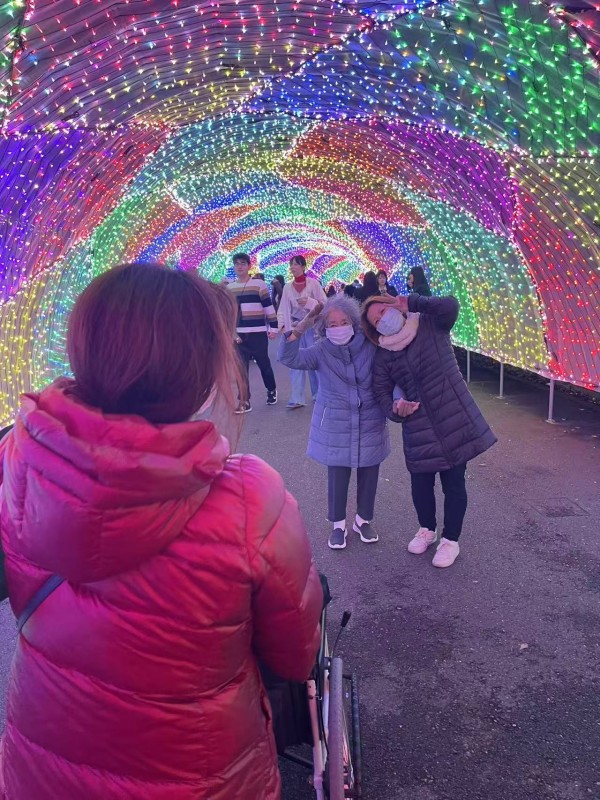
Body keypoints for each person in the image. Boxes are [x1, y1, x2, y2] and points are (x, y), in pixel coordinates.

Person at [0, 263, 323, 800]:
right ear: (198, 370)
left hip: (42, 759)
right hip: (196, 772)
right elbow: (294, 657)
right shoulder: (248, 498)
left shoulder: (19, 462)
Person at [363, 293, 496, 568]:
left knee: (454, 482)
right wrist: (396, 408)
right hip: (418, 426)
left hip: (453, 417)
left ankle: (451, 540)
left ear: (394, 305)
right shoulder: (385, 354)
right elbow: (380, 391)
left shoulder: (430, 324)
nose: (382, 320)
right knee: (420, 484)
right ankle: (426, 529)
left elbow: (451, 306)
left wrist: (413, 302)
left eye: (383, 311)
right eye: (376, 321)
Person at [279, 295, 390, 549]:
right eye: (332, 324)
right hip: (335, 420)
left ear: (354, 322)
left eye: (344, 322)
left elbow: (388, 372)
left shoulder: (370, 345)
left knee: (369, 469)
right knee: (338, 472)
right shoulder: (321, 350)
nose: (339, 328)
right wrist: (302, 325)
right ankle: (337, 525)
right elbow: (289, 358)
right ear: (324, 328)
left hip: (370, 417)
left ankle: (363, 520)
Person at [227, 252, 278, 412]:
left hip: (258, 333)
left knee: (264, 364)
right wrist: (231, 333)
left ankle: (271, 389)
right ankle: (244, 400)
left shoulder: (258, 285)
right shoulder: (230, 288)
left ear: (249, 266)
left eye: (243, 263)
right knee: (241, 369)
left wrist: (273, 327)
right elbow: (229, 313)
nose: (239, 266)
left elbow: (268, 306)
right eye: (236, 263)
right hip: (239, 335)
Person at [278, 255, 327, 409]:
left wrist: (310, 303)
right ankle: (297, 397)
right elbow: (283, 308)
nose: (293, 267)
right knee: (295, 361)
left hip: (312, 327)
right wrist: (283, 326)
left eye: (296, 264)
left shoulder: (314, 284)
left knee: (314, 360)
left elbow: (324, 304)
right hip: (295, 327)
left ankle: (319, 394)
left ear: (303, 266)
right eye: (291, 264)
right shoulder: (287, 287)